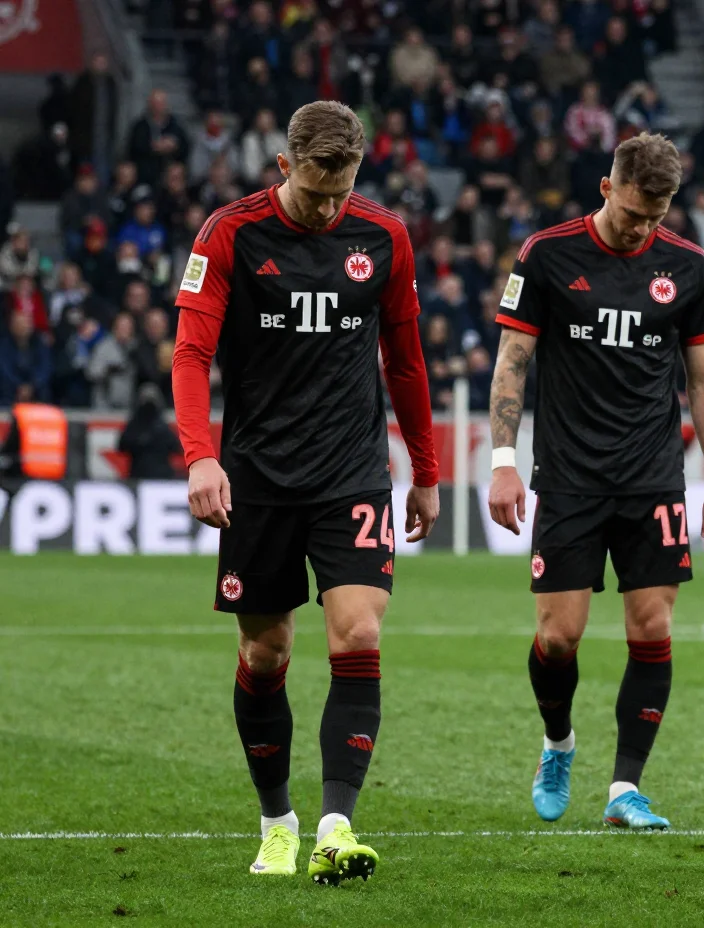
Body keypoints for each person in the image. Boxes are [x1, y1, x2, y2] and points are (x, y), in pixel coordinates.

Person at [171, 101, 440, 886]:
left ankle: (334, 825)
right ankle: (276, 822)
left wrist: (424, 469)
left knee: (357, 634)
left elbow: (406, 360)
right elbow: (192, 352)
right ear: (284, 166)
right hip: (256, 474)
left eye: (342, 193)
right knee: (267, 651)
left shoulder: (383, 235)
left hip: (350, 469)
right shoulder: (230, 234)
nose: (329, 210)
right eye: (316, 192)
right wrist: (199, 456)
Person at [486, 134, 704, 833]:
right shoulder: (547, 254)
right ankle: (558, 742)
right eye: (630, 213)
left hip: (653, 475)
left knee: (652, 625)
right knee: (559, 637)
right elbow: (512, 362)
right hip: (567, 477)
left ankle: (626, 787)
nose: (640, 228)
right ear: (605, 188)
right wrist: (503, 465)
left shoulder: (686, 266)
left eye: (654, 217)